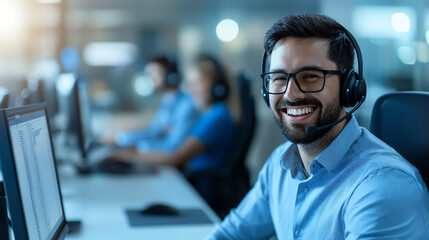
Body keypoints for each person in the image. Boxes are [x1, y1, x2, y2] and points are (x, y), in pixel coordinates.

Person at [208, 14, 429, 239]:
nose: (291, 94)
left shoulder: (382, 185)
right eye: (278, 78)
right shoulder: (280, 164)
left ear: (349, 87)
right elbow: (230, 235)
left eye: (310, 76)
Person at [109, 54, 239, 201]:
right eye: (190, 84)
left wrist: (130, 156)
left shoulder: (217, 117)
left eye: (198, 83)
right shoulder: (212, 115)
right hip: (192, 182)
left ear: (218, 87)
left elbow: (176, 157)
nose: (192, 90)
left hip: (200, 190)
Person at [113, 56, 200, 153]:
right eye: (149, 75)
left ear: (171, 77)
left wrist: (137, 147)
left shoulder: (187, 105)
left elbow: (172, 146)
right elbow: (155, 131)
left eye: (155, 74)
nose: (151, 80)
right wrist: (121, 138)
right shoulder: (167, 101)